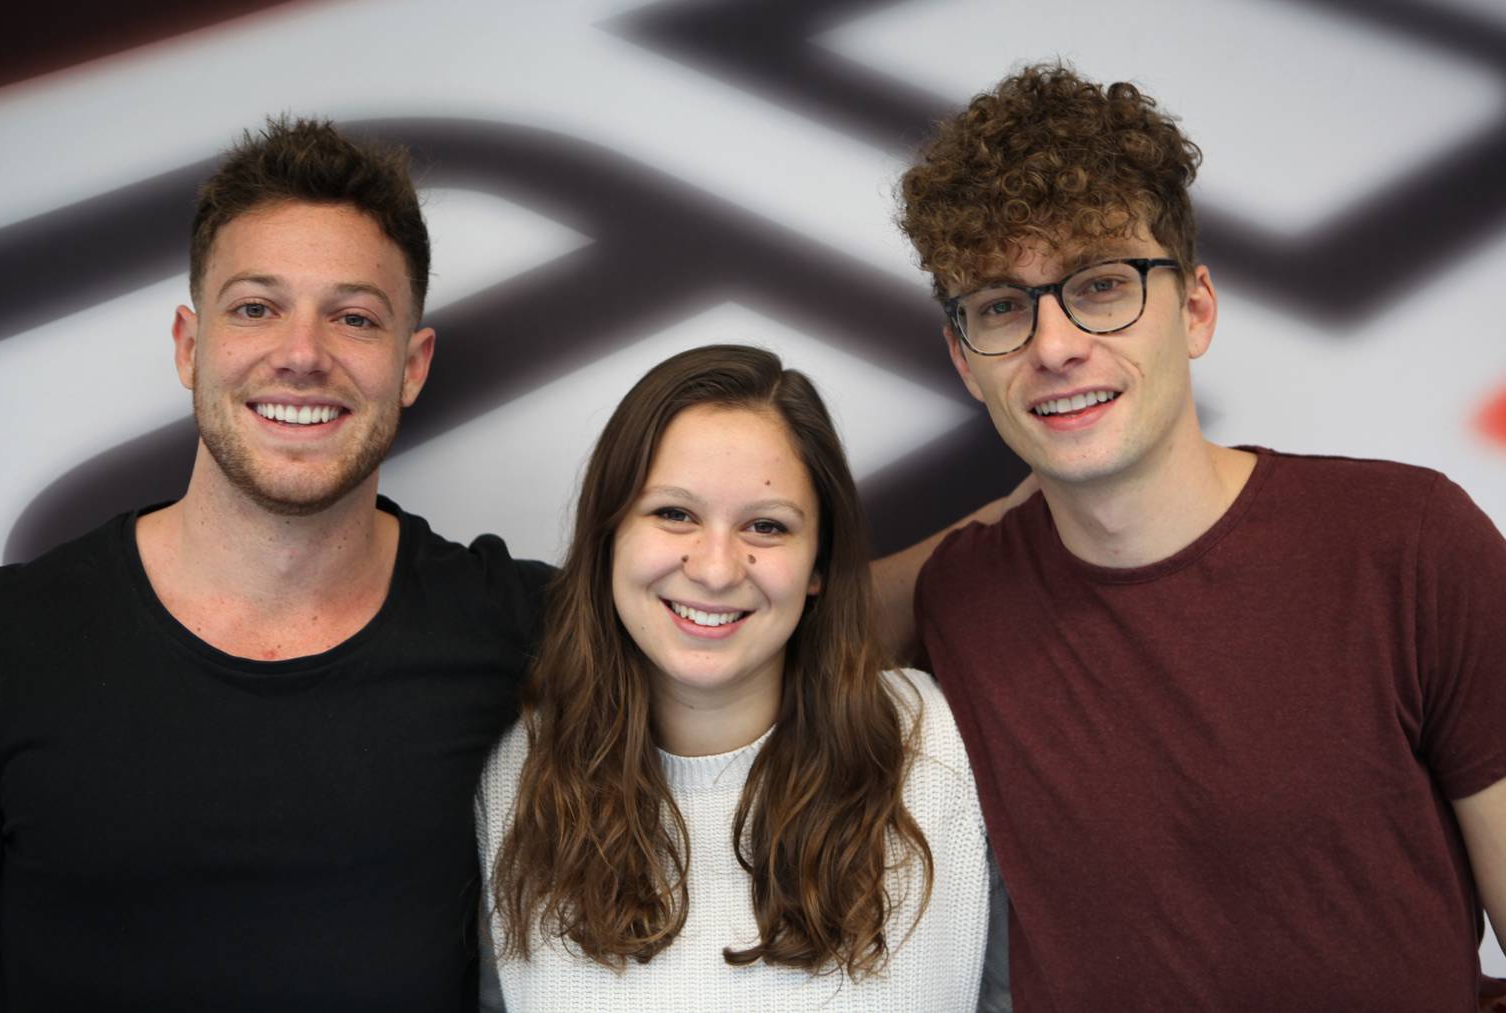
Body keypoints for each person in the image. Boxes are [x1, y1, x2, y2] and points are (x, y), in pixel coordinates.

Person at [888, 61, 1506, 1010]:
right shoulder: (959, 598)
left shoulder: (1408, 544)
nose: (1054, 346)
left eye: (1102, 286)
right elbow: (770, 614)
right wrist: (1009, 508)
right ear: (966, 361)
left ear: (1196, 310)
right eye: (1002, 306)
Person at [0, 118, 553, 1010]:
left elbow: (760, 656)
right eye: (256, 307)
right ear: (189, 345)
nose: (302, 354)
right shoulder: (9, 639)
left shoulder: (518, 629)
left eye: (354, 317)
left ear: (412, 365)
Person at [476, 345, 1001, 1011]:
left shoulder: (950, 749)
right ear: (608, 536)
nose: (717, 569)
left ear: (819, 565)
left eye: (766, 525)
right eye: (674, 513)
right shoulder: (513, 775)